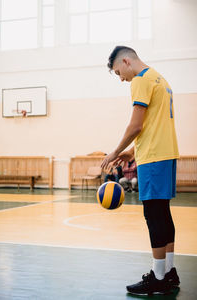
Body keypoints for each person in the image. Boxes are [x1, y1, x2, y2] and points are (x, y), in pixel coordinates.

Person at [101, 46, 180, 296]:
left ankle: (158, 279)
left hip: (154, 158)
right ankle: (168, 272)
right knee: (163, 214)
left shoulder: (141, 80)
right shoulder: (160, 78)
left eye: (118, 72)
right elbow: (153, 125)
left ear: (126, 61)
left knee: (154, 216)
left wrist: (115, 151)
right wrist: (133, 152)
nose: (121, 78)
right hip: (166, 154)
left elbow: (136, 125)